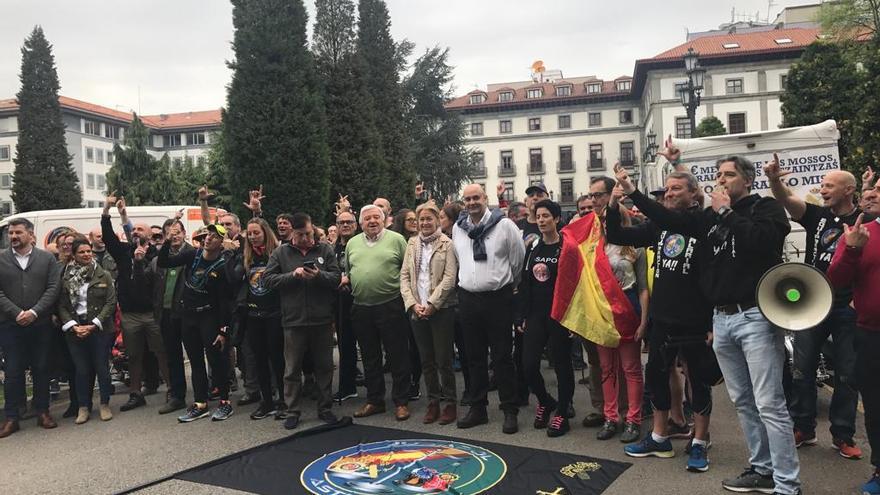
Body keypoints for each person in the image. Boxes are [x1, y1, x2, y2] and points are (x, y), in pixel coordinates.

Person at [616, 155, 801, 495]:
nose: (722, 179)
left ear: (747, 180)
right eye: (718, 175)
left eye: (729, 174)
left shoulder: (765, 210)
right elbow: (665, 217)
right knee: (743, 400)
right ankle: (761, 469)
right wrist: (633, 192)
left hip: (755, 315)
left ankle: (788, 483)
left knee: (769, 402)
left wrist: (726, 212)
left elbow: (763, 244)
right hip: (723, 317)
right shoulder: (709, 219)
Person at [608, 170, 717, 472]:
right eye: (667, 189)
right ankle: (659, 437)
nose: (669, 193)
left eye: (677, 189)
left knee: (698, 380)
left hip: (694, 318)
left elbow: (676, 222)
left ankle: (699, 441)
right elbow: (617, 236)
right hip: (662, 316)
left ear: (694, 193)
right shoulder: (660, 225)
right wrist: (613, 208)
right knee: (656, 375)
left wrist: (634, 192)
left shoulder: (703, 220)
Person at [765, 158, 863, 459]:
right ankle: (803, 428)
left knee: (847, 375)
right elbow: (786, 199)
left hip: (848, 307)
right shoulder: (817, 216)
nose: (822, 190)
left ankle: (842, 435)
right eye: (822, 185)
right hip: (813, 304)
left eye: (829, 186)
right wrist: (774, 181)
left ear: (849, 189)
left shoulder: (866, 219)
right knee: (802, 370)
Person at [453, 184, 526, 434]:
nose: (472, 202)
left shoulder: (504, 225)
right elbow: (460, 260)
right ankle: (478, 408)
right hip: (468, 299)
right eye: (468, 199)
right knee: (474, 357)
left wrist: (505, 284)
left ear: (486, 199)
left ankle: (509, 409)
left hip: (498, 298)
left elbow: (518, 260)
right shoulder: (458, 228)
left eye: (476, 198)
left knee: (502, 356)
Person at [264, 213, 341, 429]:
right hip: (294, 321)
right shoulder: (281, 252)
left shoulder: (324, 249)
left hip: (322, 319)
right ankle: (292, 411)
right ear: (292, 234)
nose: (306, 238)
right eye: (300, 235)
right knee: (292, 368)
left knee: (324, 366)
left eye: (308, 233)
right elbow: (267, 280)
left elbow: (336, 278)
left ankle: (325, 408)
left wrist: (318, 275)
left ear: (312, 228)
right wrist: (292, 275)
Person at [827, 187, 880, 494]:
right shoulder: (861, 234)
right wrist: (852, 249)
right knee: (875, 406)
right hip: (872, 335)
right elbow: (835, 280)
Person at [101, 194, 172, 412]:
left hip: (152, 313)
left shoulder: (156, 255)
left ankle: (172, 389)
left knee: (161, 352)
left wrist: (142, 262)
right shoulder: (124, 252)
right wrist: (107, 210)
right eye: (133, 230)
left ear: (150, 236)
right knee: (133, 355)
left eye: (140, 230)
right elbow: (108, 237)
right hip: (130, 314)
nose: (135, 232)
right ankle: (135, 393)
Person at [158, 223, 234, 422]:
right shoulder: (193, 255)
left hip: (209, 316)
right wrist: (167, 240)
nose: (209, 238)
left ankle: (225, 401)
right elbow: (164, 262)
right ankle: (200, 403)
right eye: (207, 234)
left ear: (221, 243)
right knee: (195, 362)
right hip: (188, 316)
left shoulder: (222, 265)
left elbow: (225, 301)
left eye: (215, 236)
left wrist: (223, 330)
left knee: (216, 360)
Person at [345, 204, 412, 421]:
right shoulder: (352, 243)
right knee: (369, 356)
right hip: (361, 307)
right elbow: (349, 270)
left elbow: (407, 271)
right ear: (361, 223)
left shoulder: (396, 240)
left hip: (390, 304)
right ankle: (375, 400)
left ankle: (401, 401)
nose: (372, 221)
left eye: (376, 217)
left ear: (384, 220)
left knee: (397, 354)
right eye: (367, 219)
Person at [594, 190, 649, 444]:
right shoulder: (595, 248)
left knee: (631, 368)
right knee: (607, 368)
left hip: (627, 306)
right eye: (603, 219)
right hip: (603, 309)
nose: (606, 223)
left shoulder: (634, 247)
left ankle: (633, 419)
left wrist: (644, 320)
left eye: (610, 218)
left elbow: (643, 288)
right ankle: (610, 417)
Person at [516, 199, 574, 437]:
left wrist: (573, 318)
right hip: (536, 315)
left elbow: (574, 283)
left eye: (546, 216)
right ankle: (545, 401)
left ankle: (561, 411)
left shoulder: (567, 248)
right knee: (528, 365)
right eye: (538, 216)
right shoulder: (534, 247)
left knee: (561, 365)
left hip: (559, 315)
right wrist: (522, 314)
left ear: (557, 219)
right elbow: (526, 281)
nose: (541, 220)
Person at [0, 218, 62, 438]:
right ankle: (11, 417)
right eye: (11, 233)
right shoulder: (1, 258)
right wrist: (17, 313)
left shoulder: (46, 259)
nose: (14, 236)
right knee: (13, 372)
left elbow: (54, 287)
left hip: (40, 324)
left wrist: (35, 312)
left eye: (18, 232)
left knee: (41, 369)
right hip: (10, 325)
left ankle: (42, 411)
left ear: (30, 234)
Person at [400, 201, 459, 425]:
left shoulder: (447, 244)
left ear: (437, 221)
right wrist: (413, 304)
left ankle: (450, 403)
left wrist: (432, 304)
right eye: (421, 219)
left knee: (444, 359)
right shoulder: (412, 244)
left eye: (429, 219)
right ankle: (433, 402)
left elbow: (450, 278)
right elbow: (404, 277)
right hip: (417, 309)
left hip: (440, 310)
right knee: (426, 361)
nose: (424, 223)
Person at [227, 218, 285, 420]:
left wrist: (256, 211)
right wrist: (232, 253)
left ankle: (283, 400)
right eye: (249, 234)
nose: (252, 237)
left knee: (277, 358)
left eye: (256, 233)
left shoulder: (277, 253)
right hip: (253, 314)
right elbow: (233, 279)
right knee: (259, 359)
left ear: (265, 233)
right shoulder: (246, 256)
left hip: (275, 314)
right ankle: (266, 401)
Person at [58, 238, 117, 424]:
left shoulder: (103, 275)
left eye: (88, 251)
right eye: (81, 252)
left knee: (102, 367)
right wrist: (73, 326)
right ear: (74, 255)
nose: (86, 254)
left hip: (98, 329)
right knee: (81, 370)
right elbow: (61, 306)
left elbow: (110, 302)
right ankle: (83, 407)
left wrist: (94, 324)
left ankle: (105, 404)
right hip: (75, 329)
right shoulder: (66, 277)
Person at [149, 220, 192, 414]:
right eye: (169, 232)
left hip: (187, 313)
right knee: (173, 357)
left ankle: (205, 392)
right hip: (165, 314)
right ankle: (177, 396)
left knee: (195, 354)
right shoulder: (161, 258)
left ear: (184, 233)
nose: (173, 236)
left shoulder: (192, 253)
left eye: (176, 232)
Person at [440, 202, 471, 403]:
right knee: (444, 350)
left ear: (451, 219)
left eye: (442, 216)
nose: (439, 220)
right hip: (444, 301)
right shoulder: (441, 240)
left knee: (465, 348)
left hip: (460, 299)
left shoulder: (461, 240)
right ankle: (446, 389)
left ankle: (470, 388)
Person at [332, 210, 361, 403]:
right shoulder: (331, 249)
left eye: (349, 222)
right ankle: (347, 387)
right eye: (341, 222)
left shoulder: (362, 245)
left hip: (361, 299)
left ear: (356, 224)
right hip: (340, 302)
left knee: (369, 346)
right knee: (345, 346)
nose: (345, 225)